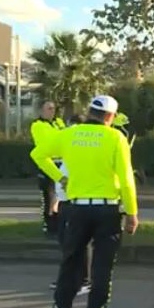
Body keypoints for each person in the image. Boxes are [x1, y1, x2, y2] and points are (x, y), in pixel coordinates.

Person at [30, 95, 139, 308]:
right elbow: (127, 179)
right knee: (102, 266)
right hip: (106, 209)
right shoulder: (115, 138)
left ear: (89, 112)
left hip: (76, 208)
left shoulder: (70, 134)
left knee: (70, 261)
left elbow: (37, 154)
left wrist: (60, 177)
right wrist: (132, 213)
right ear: (110, 116)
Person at [49, 114, 91, 296]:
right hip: (65, 202)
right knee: (66, 242)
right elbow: (61, 176)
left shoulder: (84, 151)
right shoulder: (68, 148)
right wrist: (56, 199)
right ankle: (69, 278)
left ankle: (83, 280)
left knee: (78, 243)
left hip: (76, 202)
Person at [30, 101, 67, 236]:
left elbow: (65, 138)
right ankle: (48, 225)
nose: (52, 111)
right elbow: (47, 142)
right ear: (41, 110)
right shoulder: (37, 125)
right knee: (48, 195)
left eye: (53, 109)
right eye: (49, 109)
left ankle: (59, 223)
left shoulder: (59, 122)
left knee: (59, 195)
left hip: (62, 163)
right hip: (48, 163)